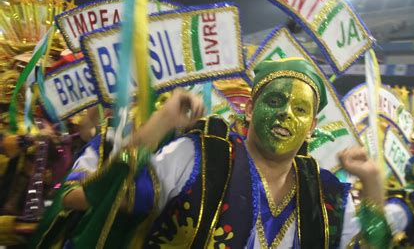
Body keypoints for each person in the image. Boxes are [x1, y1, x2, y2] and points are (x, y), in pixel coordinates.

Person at [32, 58, 391, 248]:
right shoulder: (199, 155)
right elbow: (117, 196)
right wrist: (159, 124)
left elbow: (374, 242)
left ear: (312, 126)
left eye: (300, 110)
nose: (285, 114)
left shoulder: (323, 194)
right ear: (249, 109)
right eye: (275, 101)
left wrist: (373, 182)